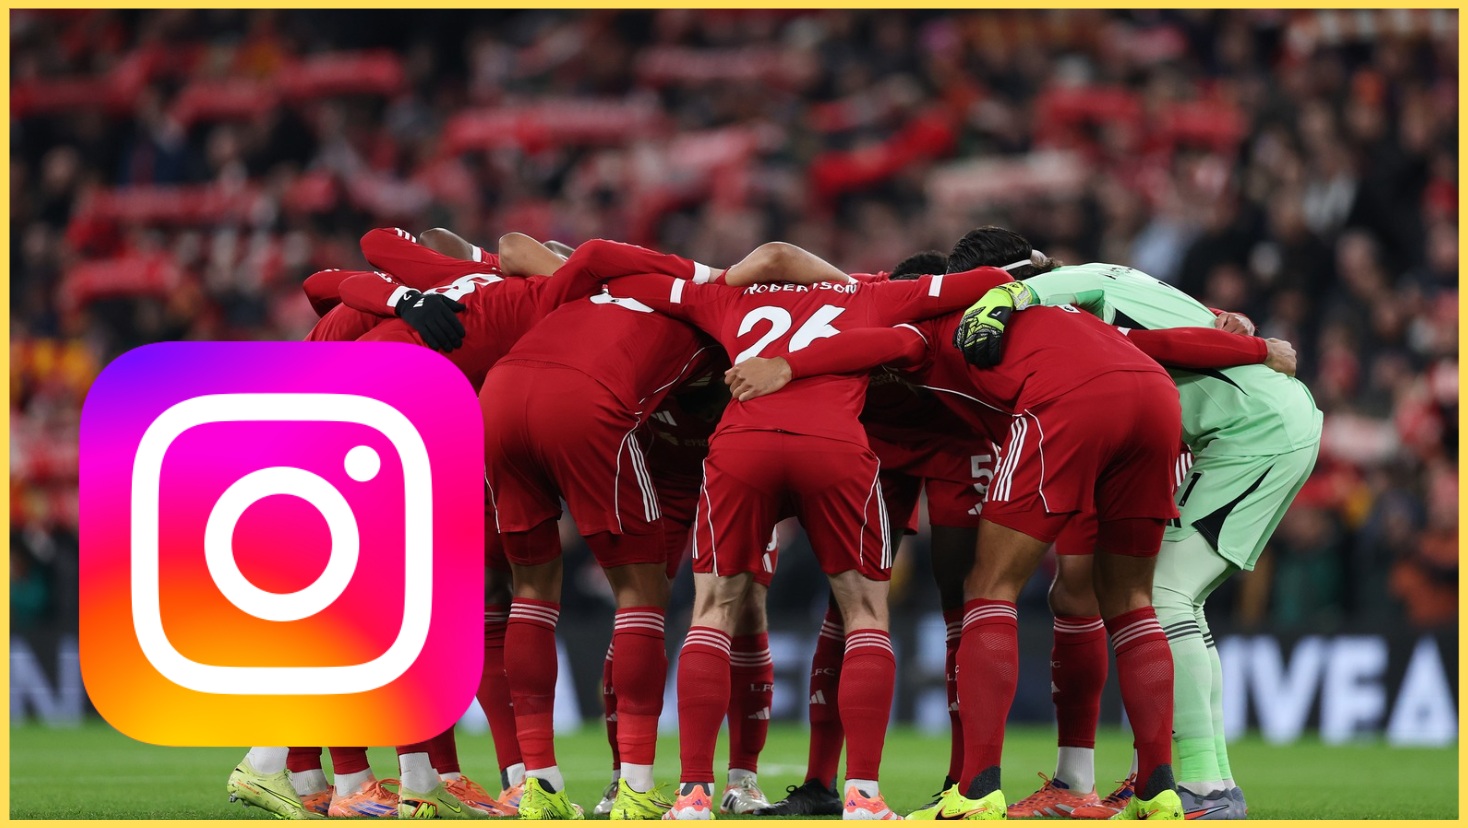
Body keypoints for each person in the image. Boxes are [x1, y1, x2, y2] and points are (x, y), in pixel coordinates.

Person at [595, 250, 1013, 820]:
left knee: (712, 610)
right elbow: (989, 280)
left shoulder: (722, 296)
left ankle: (693, 794)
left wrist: (707, 276)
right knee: (865, 612)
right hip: (834, 448)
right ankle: (863, 795)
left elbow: (635, 280)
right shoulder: (872, 293)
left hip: (744, 445)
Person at [480, 239, 853, 820]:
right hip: (644, 451)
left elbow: (523, 251)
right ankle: (626, 781)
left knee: (742, 603)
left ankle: (735, 778)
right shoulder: (690, 292)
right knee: (642, 604)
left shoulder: (652, 294)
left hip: (716, 463)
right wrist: (856, 290)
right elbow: (774, 257)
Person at [954, 231, 1319, 820]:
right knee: (1176, 604)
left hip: (1250, 435)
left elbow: (1150, 340)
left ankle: (1200, 786)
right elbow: (1195, 326)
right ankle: (1208, 778)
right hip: (1254, 427)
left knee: (1163, 597)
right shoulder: (1118, 279)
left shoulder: (1052, 298)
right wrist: (1236, 328)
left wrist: (1253, 349)